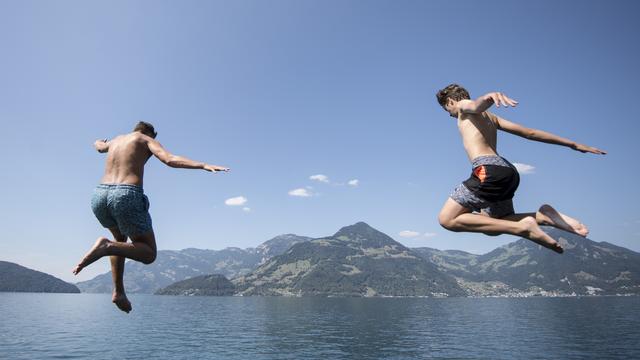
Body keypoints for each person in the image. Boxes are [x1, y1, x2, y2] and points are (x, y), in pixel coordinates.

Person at [72, 121, 229, 312]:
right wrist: (202, 165)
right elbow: (169, 159)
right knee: (148, 253)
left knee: (120, 241)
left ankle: (118, 291)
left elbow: (99, 147)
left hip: (99, 195)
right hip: (125, 194)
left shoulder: (116, 140)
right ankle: (105, 247)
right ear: (149, 133)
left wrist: (98, 142)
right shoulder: (144, 138)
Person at [435, 84, 605, 253]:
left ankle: (523, 229)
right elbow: (529, 132)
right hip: (507, 172)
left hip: (487, 169)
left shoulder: (463, 107)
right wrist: (573, 144)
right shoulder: (491, 118)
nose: (450, 115)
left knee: (447, 219)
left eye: (446, 110)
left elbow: (474, 104)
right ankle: (542, 217)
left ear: (450, 101)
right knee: (493, 223)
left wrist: (488, 97)